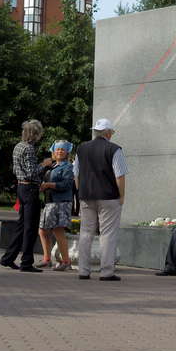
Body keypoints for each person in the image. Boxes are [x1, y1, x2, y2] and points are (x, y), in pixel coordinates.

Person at [73, 118, 128, 281]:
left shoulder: (81, 148)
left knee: (85, 232)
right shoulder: (114, 149)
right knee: (108, 234)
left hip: (86, 196)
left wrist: (80, 191)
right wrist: (122, 195)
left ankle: (83, 270)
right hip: (108, 197)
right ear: (108, 133)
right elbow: (120, 176)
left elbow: (75, 174)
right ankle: (106, 271)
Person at [0, 119, 52, 273]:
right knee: (30, 227)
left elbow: (19, 170)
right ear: (35, 134)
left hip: (21, 188)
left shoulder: (18, 146)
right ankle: (26, 262)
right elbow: (31, 172)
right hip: (30, 189)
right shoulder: (29, 149)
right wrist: (44, 164)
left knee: (21, 225)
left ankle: (8, 258)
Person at [37, 140, 75, 271]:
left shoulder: (68, 167)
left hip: (61, 202)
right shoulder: (52, 166)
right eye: (57, 149)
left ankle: (66, 261)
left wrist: (48, 185)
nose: (59, 151)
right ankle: (47, 259)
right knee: (42, 230)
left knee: (58, 230)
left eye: (62, 150)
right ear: (53, 152)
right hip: (50, 202)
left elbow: (66, 185)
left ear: (67, 152)